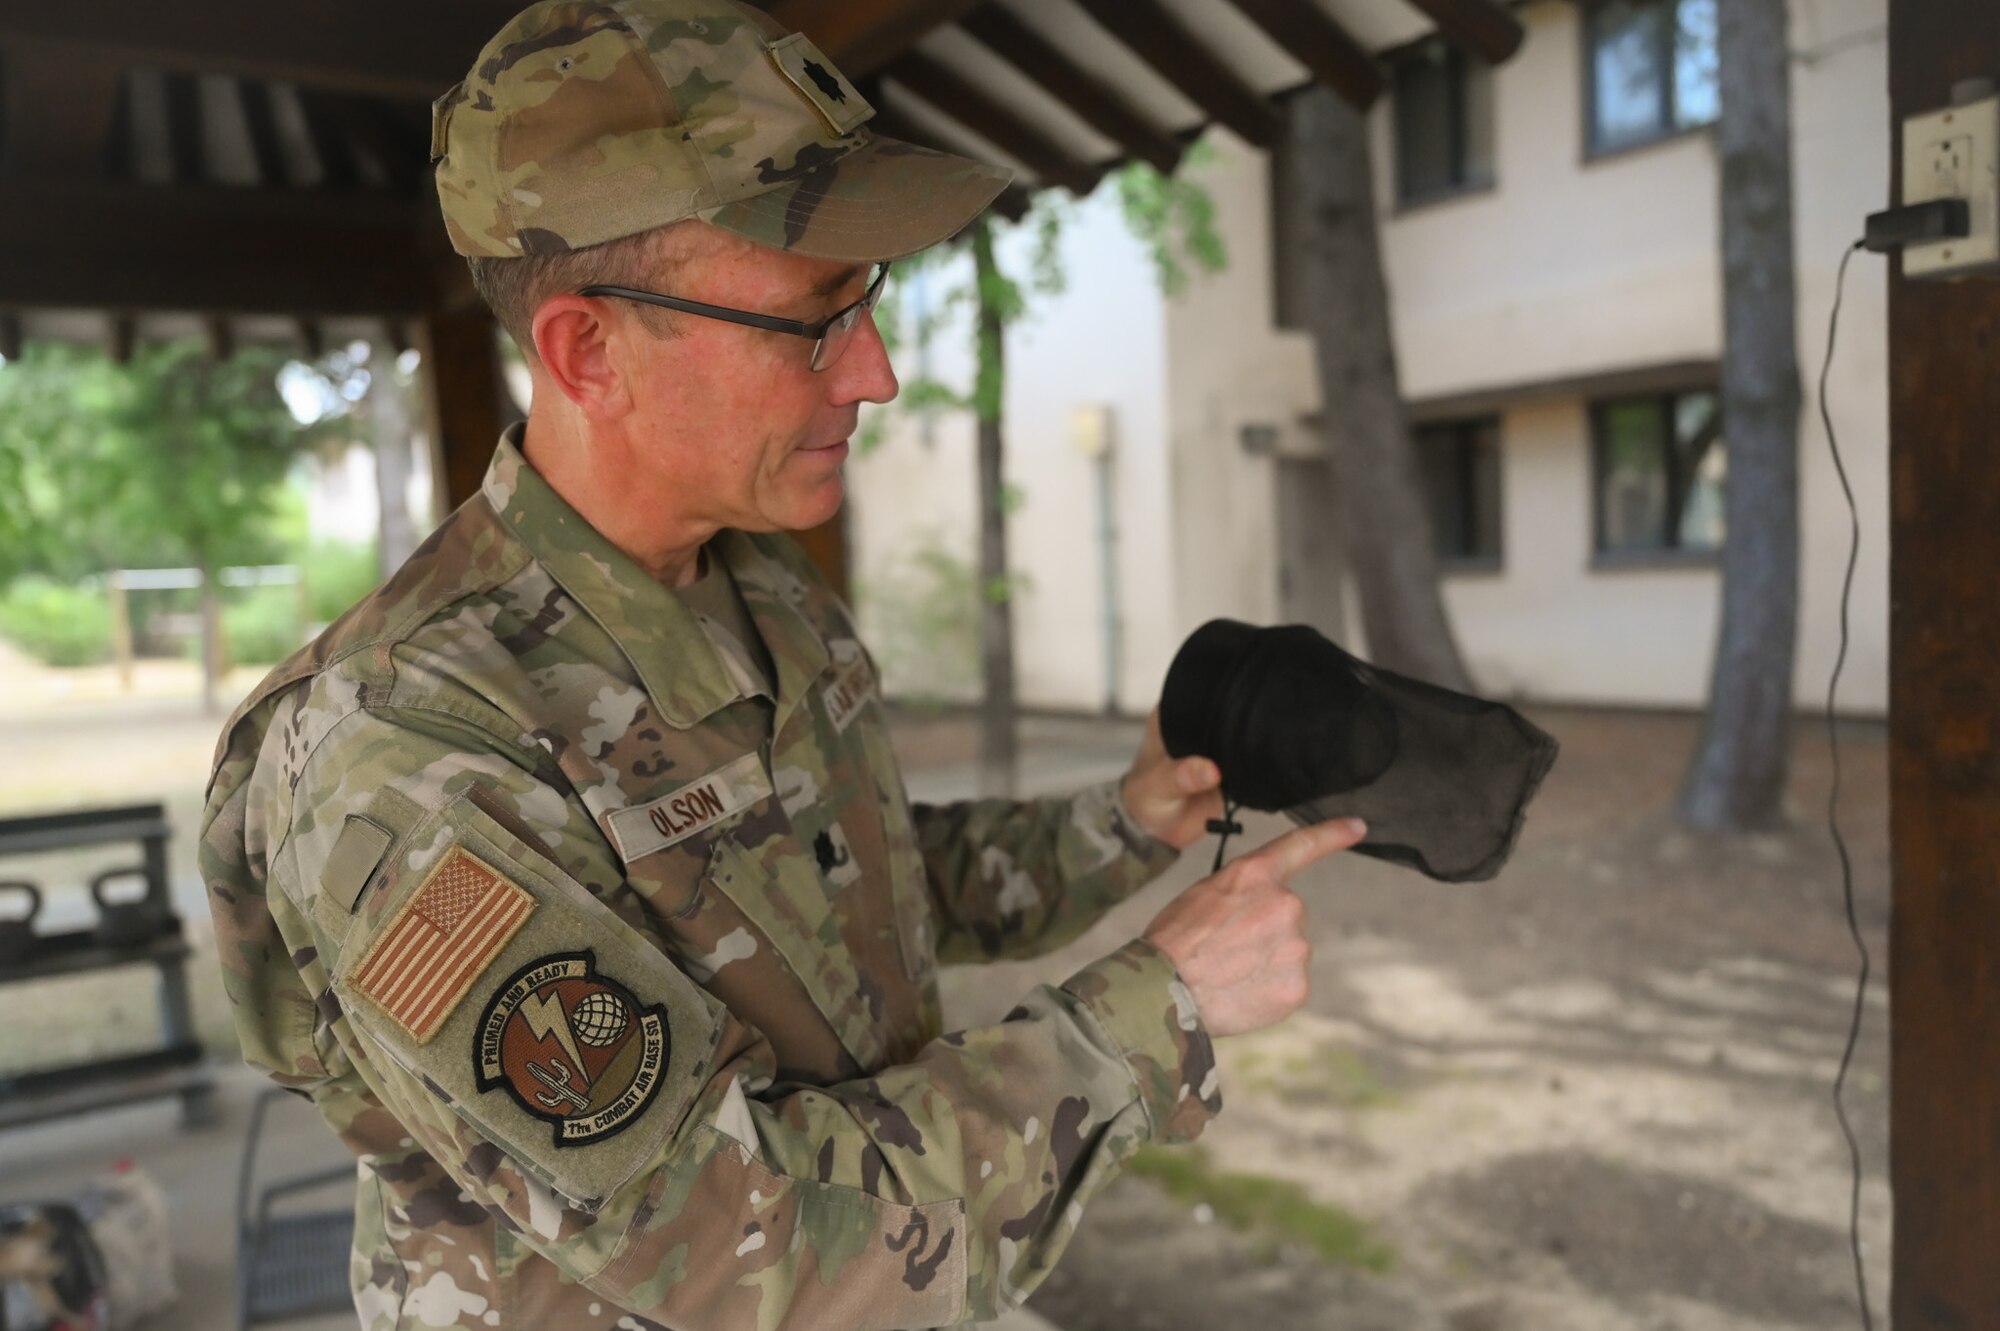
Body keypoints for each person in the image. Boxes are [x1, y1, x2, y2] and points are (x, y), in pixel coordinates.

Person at [200, 1, 1367, 1327]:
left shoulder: (761, 586)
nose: (873, 373)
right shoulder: (399, 748)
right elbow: (742, 1243)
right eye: (814, 319)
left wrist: (1124, 824)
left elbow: (843, 897)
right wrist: (1158, 1010)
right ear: (590, 351)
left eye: (867, 301)